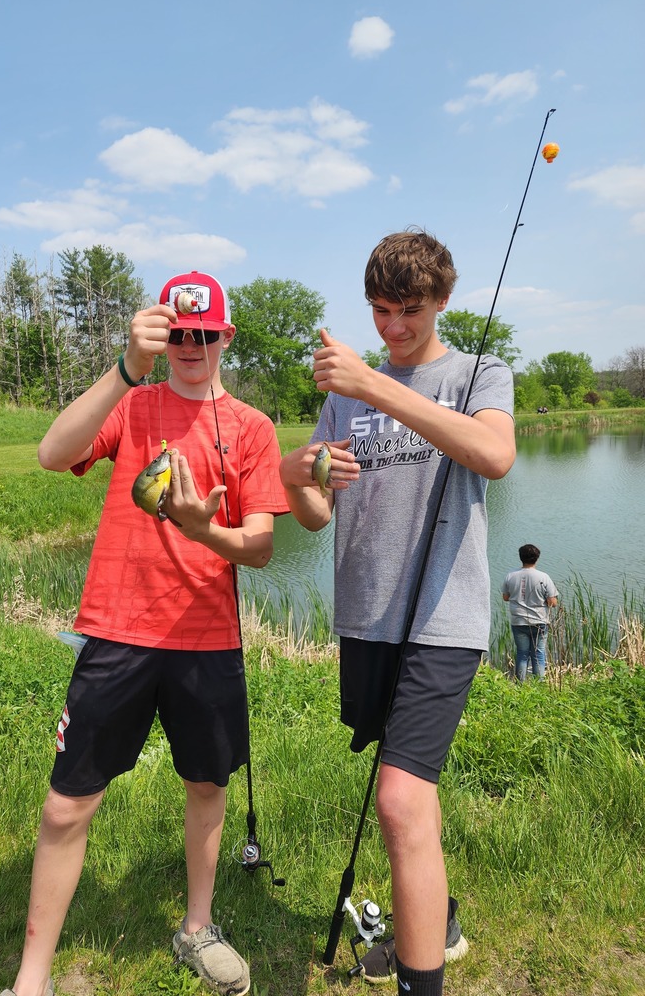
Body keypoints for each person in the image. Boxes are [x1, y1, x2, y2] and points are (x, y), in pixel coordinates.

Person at [0, 271, 288, 996]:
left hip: (207, 639)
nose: (190, 346)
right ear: (161, 333)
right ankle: (31, 980)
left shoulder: (252, 427)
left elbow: (258, 547)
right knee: (68, 803)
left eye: (204, 334)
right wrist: (127, 366)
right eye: (177, 334)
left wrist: (200, 528)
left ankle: (196, 927)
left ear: (225, 337)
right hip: (116, 631)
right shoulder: (133, 404)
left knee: (207, 784)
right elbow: (52, 453)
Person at [279, 230, 515, 995]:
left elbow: (493, 456)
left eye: (408, 310)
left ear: (441, 300)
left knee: (399, 797)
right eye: (380, 311)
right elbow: (314, 514)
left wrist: (376, 384)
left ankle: (421, 980)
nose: (392, 329)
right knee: (409, 795)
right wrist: (303, 475)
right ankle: (438, 921)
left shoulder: (479, 373)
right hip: (366, 618)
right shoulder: (346, 394)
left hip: (443, 622)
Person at [501, 544, 559, 681]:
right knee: (538, 653)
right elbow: (553, 602)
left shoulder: (510, 575)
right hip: (539, 621)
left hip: (518, 621)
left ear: (521, 558)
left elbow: (505, 597)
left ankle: (520, 685)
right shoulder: (543, 577)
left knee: (522, 653)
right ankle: (538, 685)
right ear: (537, 558)